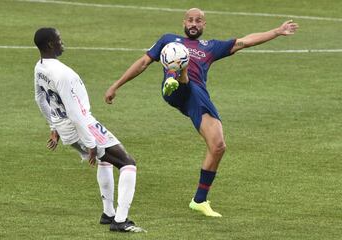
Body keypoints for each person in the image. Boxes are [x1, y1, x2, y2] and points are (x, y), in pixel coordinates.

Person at [104, 8, 299, 217]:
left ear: (204, 25)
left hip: (197, 97)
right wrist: (116, 85)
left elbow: (245, 41)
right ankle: (175, 76)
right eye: (190, 20)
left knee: (218, 146)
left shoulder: (211, 47)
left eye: (198, 21)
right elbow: (142, 62)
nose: (194, 24)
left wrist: (277, 31)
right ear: (184, 23)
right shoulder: (169, 40)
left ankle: (199, 200)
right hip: (177, 91)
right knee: (178, 56)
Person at [33, 27, 145, 232]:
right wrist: (91, 143)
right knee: (128, 163)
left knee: (106, 160)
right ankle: (121, 221)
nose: (62, 42)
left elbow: (40, 98)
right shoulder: (64, 74)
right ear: (50, 44)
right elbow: (75, 113)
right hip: (81, 126)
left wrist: (53, 126)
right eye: (59, 39)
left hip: (65, 128)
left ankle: (108, 213)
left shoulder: (39, 67)